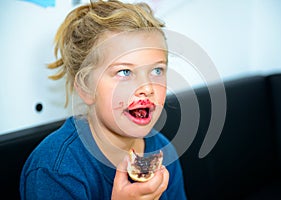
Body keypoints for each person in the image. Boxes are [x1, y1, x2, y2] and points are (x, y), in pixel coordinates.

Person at [20, 0, 187, 199]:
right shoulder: (54, 170)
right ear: (85, 88)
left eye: (157, 70)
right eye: (125, 72)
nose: (147, 88)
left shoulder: (163, 153)